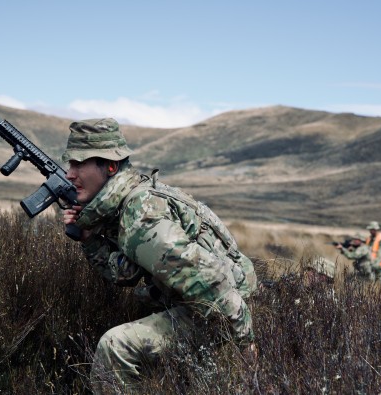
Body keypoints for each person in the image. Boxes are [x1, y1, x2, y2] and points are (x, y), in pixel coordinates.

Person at [60, 118, 258, 392]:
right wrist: (89, 238)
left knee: (115, 346)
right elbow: (126, 273)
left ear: (110, 166)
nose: (70, 173)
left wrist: (246, 344)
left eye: (80, 163)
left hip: (221, 312)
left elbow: (207, 279)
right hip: (208, 303)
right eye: (70, 163)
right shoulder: (127, 202)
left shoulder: (141, 213)